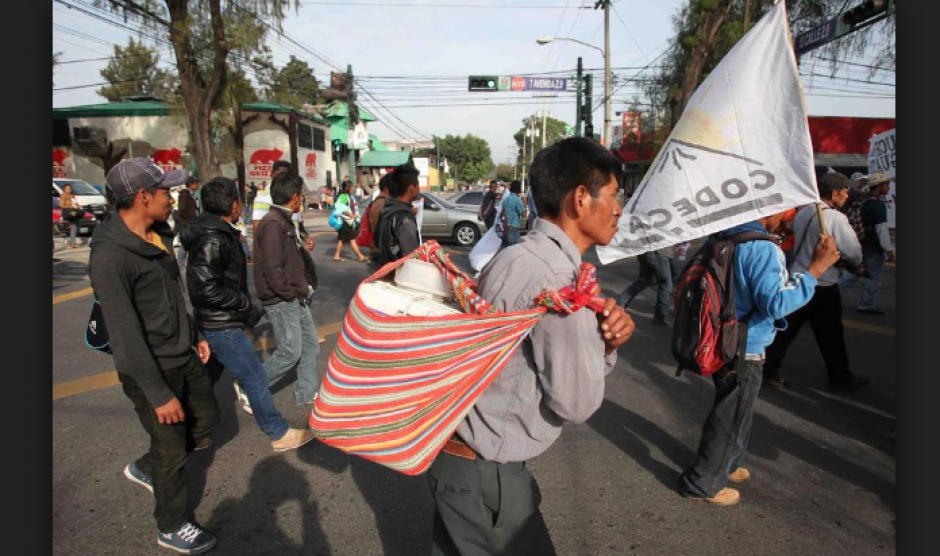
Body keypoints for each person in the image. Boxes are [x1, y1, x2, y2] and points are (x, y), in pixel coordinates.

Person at [429, 138, 635, 555]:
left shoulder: (514, 255)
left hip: (460, 459)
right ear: (581, 198)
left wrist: (601, 342)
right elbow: (576, 403)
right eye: (614, 195)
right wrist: (605, 345)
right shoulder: (561, 283)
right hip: (489, 477)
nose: (618, 209)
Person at [89, 158, 220, 554]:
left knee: (207, 420)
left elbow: (173, 296)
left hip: (183, 354)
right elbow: (125, 337)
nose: (172, 198)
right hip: (151, 369)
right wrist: (159, 394)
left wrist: (194, 333)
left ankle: (147, 466)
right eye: (166, 191)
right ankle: (172, 524)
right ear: (143, 197)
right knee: (172, 450)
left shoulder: (159, 234)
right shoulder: (110, 258)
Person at [678, 211, 841, 507]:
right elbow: (777, 303)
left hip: (721, 340)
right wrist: (815, 269)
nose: (789, 214)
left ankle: (727, 463)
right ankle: (703, 482)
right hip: (746, 345)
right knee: (730, 416)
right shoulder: (763, 247)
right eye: (786, 208)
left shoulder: (725, 236)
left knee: (737, 410)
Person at [181, 177, 317, 451]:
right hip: (222, 322)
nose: (241, 206)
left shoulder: (221, 233)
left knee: (202, 380)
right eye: (239, 201)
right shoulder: (214, 238)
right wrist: (244, 305)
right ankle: (278, 433)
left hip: (223, 319)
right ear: (233, 204)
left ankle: (188, 431)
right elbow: (205, 288)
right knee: (255, 376)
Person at [762, 172, 868, 391]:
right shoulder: (835, 218)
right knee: (831, 335)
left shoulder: (804, 213)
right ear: (834, 193)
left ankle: (767, 371)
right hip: (823, 283)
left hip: (798, 278)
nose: (848, 195)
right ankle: (839, 377)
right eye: (845, 191)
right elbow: (852, 251)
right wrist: (857, 265)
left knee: (785, 332)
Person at [254, 171, 322, 407]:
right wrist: (288, 294)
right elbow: (273, 268)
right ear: (294, 197)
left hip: (296, 294)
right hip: (283, 299)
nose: (301, 200)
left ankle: (306, 392)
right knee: (290, 352)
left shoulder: (283, 220)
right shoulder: (273, 223)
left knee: (310, 346)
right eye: (301, 196)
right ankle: (250, 387)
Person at [839, 171, 895, 315]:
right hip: (873, 248)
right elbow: (881, 230)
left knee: (855, 273)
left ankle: (832, 290)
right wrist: (888, 249)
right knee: (874, 277)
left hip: (861, 244)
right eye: (887, 185)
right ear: (879, 186)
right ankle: (867, 304)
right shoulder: (878, 206)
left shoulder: (863, 201)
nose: (888, 188)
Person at [375, 166, 421, 266]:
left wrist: (393, 249)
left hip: (385, 269)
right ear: (411, 187)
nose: (419, 189)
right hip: (400, 272)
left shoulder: (386, 209)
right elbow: (411, 256)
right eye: (418, 185)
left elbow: (377, 242)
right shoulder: (405, 218)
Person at [616, 249, 675, 325]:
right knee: (665, 284)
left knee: (642, 281)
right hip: (659, 253)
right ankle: (661, 316)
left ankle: (619, 304)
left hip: (646, 252)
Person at [332, 184, 368, 262]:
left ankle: (336, 256)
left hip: (348, 221)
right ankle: (360, 257)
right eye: (351, 187)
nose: (353, 189)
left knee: (342, 240)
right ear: (347, 188)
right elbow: (340, 207)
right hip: (345, 221)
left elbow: (349, 206)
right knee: (352, 239)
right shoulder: (343, 196)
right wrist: (351, 215)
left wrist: (354, 205)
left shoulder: (350, 196)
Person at [175, 176, 200, 265]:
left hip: (193, 223)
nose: (197, 185)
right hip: (188, 223)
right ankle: (180, 263)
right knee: (185, 243)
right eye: (196, 183)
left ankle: (188, 262)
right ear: (191, 184)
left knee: (191, 243)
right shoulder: (185, 194)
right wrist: (190, 219)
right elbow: (182, 209)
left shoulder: (192, 195)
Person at [499, 180, 526, 248]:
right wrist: (525, 203)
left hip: (506, 226)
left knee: (507, 246)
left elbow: (502, 214)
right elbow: (524, 215)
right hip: (513, 226)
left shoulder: (506, 199)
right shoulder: (517, 200)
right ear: (519, 189)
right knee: (514, 247)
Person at [59, 183, 83, 248]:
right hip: (69, 213)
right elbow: (61, 205)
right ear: (64, 189)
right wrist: (71, 206)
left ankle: (72, 241)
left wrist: (78, 206)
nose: (69, 190)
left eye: (70, 188)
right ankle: (72, 243)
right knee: (74, 226)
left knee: (77, 226)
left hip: (74, 212)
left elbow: (75, 203)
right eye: (67, 189)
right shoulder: (63, 195)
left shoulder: (72, 195)